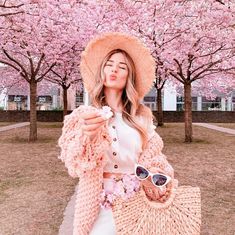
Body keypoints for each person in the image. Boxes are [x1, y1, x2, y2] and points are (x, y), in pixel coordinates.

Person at [58, 32, 176, 235]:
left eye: (122, 67)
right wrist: (88, 137)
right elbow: (75, 163)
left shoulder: (141, 120)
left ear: (128, 76)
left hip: (135, 204)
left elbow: (157, 160)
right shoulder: (83, 116)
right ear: (101, 71)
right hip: (97, 205)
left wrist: (155, 177)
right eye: (109, 64)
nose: (114, 69)